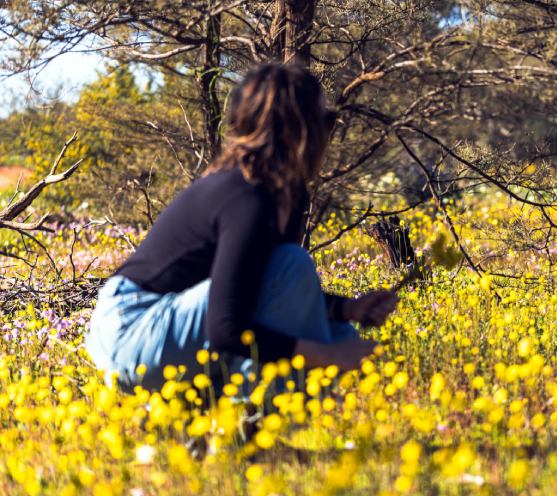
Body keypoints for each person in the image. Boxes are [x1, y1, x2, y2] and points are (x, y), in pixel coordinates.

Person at [85, 63, 399, 392]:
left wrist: (347, 309)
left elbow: (261, 292)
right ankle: (262, 425)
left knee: (340, 332)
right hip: (130, 333)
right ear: (297, 131)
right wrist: (327, 355)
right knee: (303, 289)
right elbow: (227, 329)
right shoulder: (247, 199)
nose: (329, 134)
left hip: (166, 328)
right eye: (325, 122)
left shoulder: (285, 196)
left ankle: (251, 427)